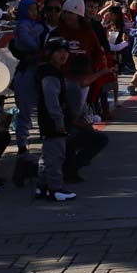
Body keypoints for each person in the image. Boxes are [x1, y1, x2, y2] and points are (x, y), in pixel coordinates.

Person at [35, 40, 77, 202]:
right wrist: (59, 121)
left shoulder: (50, 71)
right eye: (58, 51)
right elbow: (51, 99)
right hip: (52, 120)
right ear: (49, 54)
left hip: (48, 119)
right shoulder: (50, 74)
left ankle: (42, 186)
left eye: (66, 52)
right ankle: (55, 189)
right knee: (56, 155)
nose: (63, 55)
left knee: (48, 155)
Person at [10, 0, 46, 155]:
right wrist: (38, 49)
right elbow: (25, 42)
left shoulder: (39, 26)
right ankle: (22, 142)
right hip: (27, 71)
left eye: (35, 9)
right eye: (31, 9)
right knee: (24, 108)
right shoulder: (22, 26)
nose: (34, 12)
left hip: (41, 70)